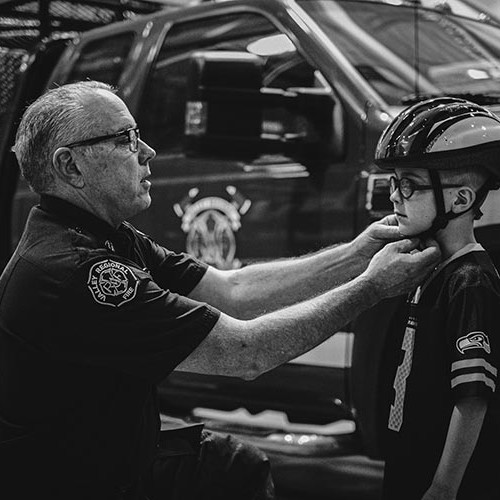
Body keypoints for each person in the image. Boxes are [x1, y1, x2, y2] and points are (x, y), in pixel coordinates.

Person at [0, 81, 439, 500]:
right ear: (69, 165)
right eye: (126, 139)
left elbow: (232, 290)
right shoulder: (78, 270)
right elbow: (246, 352)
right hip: (66, 482)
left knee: (231, 466)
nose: (148, 152)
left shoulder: (107, 235)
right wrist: (371, 288)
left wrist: (357, 254)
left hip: (106, 456)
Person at [373, 97, 500, 500]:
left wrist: (444, 486)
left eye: (409, 184)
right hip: (408, 465)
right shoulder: (423, 269)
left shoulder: (470, 282)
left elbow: (473, 398)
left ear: (460, 201)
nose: (395, 196)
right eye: (394, 183)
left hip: (443, 480)